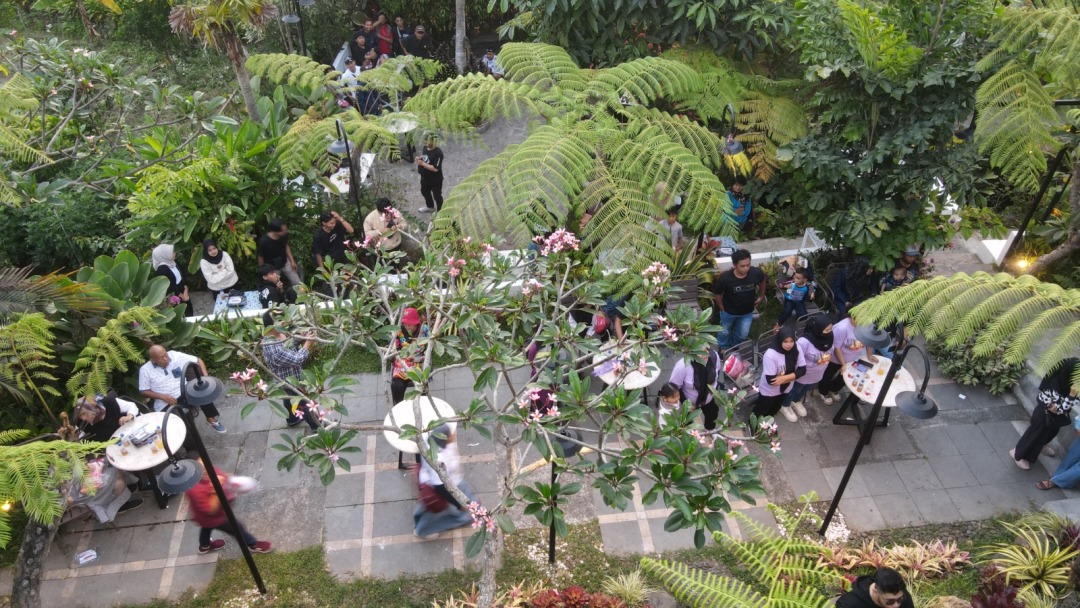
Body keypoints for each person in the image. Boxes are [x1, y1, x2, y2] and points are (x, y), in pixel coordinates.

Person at [186, 464, 272, 554]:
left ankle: (204, 546)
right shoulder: (195, 490)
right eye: (201, 468)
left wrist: (229, 480)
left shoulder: (208, 470)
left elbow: (221, 474)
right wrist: (215, 490)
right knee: (236, 528)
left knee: (206, 527)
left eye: (205, 466)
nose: (205, 470)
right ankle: (253, 544)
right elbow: (211, 510)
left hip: (206, 517)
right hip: (215, 518)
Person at [1011, 358, 1079, 470]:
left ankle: (1041, 446)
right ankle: (1017, 454)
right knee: (1035, 435)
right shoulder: (1054, 385)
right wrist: (1071, 396)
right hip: (1044, 414)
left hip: (1056, 416)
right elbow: (1060, 409)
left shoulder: (1068, 385)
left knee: (1051, 432)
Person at [139, 345, 225, 433]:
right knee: (183, 423)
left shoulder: (175, 355)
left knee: (202, 391)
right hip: (167, 402)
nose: (166, 358)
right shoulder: (145, 370)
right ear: (153, 360)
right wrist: (162, 397)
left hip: (185, 391)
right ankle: (191, 436)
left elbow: (198, 360)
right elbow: (143, 391)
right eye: (161, 357)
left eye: (165, 354)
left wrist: (206, 377)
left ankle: (211, 419)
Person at [262, 312, 322, 431]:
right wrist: (308, 343)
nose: (285, 323)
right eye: (281, 321)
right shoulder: (272, 347)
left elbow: (289, 343)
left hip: (289, 377)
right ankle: (318, 427)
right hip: (288, 381)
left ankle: (292, 419)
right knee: (305, 403)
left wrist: (301, 337)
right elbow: (297, 359)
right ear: (273, 326)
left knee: (288, 398)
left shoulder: (278, 333)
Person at [413, 424, 476, 537]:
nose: (453, 435)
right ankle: (422, 531)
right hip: (445, 487)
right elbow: (441, 487)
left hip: (452, 480)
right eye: (450, 434)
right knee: (437, 511)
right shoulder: (437, 458)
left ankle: (420, 523)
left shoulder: (429, 441)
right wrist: (458, 505)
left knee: (426, 508)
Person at [817, 311, 877, 404]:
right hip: (835, 358)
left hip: (853, 357)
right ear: (852, 316)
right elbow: (837, 347)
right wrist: (843, 364)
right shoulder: (842, 328)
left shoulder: (866, 324)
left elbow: (868, 339)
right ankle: (823, 391)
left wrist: (869, 354)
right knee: (827, 375)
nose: (862, 322)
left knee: (846, 377)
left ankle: (833, 389)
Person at [712, 249, 767, 350]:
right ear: (734, 265)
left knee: (743, 334)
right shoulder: (725, 278)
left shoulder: (756, 273)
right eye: (742, 266)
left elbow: (762, 280)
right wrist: (722, 309)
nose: (746, 268)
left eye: (748, 265)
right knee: (724, 332)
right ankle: (723, 349)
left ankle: (734, 346)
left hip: (747, 313)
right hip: (728, 312)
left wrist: (761, 295)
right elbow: (718, 294)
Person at [785, 315, 833, 419]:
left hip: (816, 375)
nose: (830, 332)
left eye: (831, 329)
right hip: (803, 375)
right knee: (795, 390)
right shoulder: (804, 342)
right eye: (827, 330)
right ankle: (785, 405)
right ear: (818, 329)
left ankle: (796, 401)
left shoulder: (830, 338)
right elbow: (794, 357)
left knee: (804, 390)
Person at [752, 326, 805, 421]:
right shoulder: (771, 354)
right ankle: (753, 426)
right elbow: (771, 381)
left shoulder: (797, 348)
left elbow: (803, 370)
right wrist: (794, 376)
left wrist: (783, 378)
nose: (789, 345)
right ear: (780, 340)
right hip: (769, 391)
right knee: (761, 409)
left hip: (786, 388)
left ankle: (767, 423)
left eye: (791, 341)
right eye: (785, 341)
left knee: (775, 408)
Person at [667, 347, 724, 430]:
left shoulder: (714, 356)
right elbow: (674, 387)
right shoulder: (683, 365)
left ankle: (710, 431)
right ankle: (688, 433)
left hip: (709, 398)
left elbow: (717, 372)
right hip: (689, 402)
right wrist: (686, 403)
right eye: (700, 352)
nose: (704, 355)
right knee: (686, 422)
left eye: (706, 350)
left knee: (712, 415)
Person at [391, 307, 429, 405]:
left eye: (410, 323)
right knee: (397, 385)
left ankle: (422, 405)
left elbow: (431, 344)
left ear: (416, 322)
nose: (407, 325)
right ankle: (399, 406)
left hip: (418, 361)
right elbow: (395, 346)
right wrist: (397, 353)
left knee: (422, 385)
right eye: (405, 323)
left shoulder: (424, 329)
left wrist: (425, 355)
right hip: (402, 361)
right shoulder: (399, 330)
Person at [74, 393, 141, 443]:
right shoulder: (80, 421)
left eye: (85, 413)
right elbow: (79, 436)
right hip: (111, 443)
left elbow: (131, 406)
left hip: (130, 431)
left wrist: (129, 416)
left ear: (93, 408)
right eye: (81, 415)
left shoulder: (109, 402)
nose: (84, 418)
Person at [835, 567, 914, 608]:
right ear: (875, 589)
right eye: (890, 601)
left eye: (899, 599)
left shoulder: (904, 597)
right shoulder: (851, 604)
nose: (896, 605)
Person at [363, 197, 412, 262]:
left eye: (389, 212)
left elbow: (404, 224)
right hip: (380, 249)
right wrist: (379, 231)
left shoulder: (395, 212)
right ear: (378, 210)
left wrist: (399, 226)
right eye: (384, 213)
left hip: (396, 246)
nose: (387, 215)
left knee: (396, 264)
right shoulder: (370, 218)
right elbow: (366, 234)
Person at [257, 220, 302, 288]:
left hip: (285, 261)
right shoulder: (264, 241)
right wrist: (264, 271)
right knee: (275, 286)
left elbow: (286, 246)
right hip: (272, 266)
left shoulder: (283, 236)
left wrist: (292, 261)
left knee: (297, 281)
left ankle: (301, 292)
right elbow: (261, 256)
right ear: (276, 232)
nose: (286, 231)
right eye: (284, 230)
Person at [152, 244, 191, 317]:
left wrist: (186, 290)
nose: (174, 253)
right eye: (172, 252)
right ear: (164, 255)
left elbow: (183, 274)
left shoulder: (173, 262)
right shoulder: (162, 269)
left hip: (182, 289)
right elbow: (169, 286)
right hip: (175, 295)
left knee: (189, 311)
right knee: (181, 315)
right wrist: (182, 296)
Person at [416, 135, 444, 213]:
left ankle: (440, 211)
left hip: (435, 180)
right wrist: (420, 158)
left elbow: (435, 168)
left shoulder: (438, 153)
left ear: (433, 141)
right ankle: (430, 207)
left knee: (437, 197)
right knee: (425, 192)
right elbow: (425, 156)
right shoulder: (425, 147)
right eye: (424, 142)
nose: (425, 144)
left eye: (427, 142)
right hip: (425, 177)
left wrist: (422, 164)